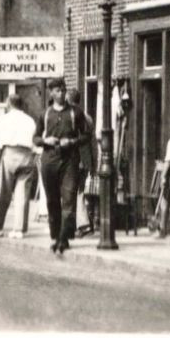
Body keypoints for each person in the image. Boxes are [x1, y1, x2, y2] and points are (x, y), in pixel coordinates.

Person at [39, 79, 83, 256]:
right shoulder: (45, 114)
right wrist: (45, 141)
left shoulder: (75, 113)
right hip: (49, 160)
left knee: (69, 199)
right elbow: (35, 137)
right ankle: (55, 236)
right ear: (51, 93)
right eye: (58, 90)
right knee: (52, 201)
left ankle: (64, 239)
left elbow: (86, 135)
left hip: (70, 160)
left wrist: (72, 141)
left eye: (63, 90)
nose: (62, 93)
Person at [0, 90, 38, 238]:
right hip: (27, 155)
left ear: (8, 104)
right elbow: (34, 141)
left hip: (9, 153)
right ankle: (19, 229)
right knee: (23, 194)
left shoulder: (4, 119)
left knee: (3, 192)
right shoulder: (30, 120)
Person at [68, 88, 98, 236]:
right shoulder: (88, 117)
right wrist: (92, 162)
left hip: (75, 160)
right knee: (79, 192)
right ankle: (80, 224)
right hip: (85, 161)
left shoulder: (72, 117)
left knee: (73, 192)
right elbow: (91, 143)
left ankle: (83, 224)